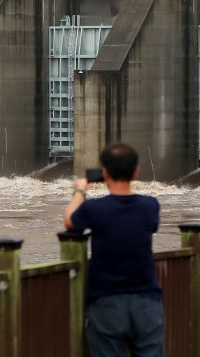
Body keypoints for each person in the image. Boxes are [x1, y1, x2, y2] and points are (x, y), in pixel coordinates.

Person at [63, 142, 164, 357]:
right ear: (136, 171)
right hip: (146, 302)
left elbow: (70, 220)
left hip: (106, 303)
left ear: (104, 172)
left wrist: (80, 191)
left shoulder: (95, 209)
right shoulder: (150, 206)